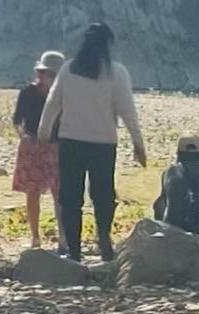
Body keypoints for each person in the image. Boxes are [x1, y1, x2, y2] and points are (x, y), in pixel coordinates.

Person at [38, 22, 147, 261]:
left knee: (70, 197)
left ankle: (74, 251)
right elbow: (127, 110)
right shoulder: (116, 73)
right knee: (103, 195)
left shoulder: (68, 70)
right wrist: (138, 144)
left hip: (71, 141)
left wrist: (43, 131)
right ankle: (104, 240)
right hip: (103, 143)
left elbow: (53, 103)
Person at [12, 50, 66, 250]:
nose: (44, 77)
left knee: (60, 194)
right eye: (43, 73)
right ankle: (35, 237)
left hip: (57, 147)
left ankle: (63, 237)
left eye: (50, 74)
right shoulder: (27, 93)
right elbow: (17, 120)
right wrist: (23, 136)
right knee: (32, 192)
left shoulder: (64, 95)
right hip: (32, 146)